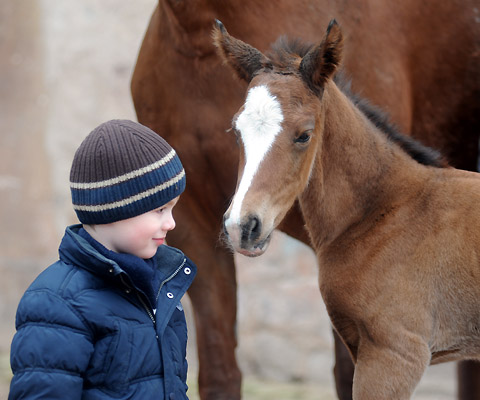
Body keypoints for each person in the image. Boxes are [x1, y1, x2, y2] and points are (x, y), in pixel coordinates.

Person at [9, 119, 197, 399]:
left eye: (172, 209)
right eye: (159, 210)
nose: (171, 224)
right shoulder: (57, 303)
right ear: (114, 210)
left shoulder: (161, 288)